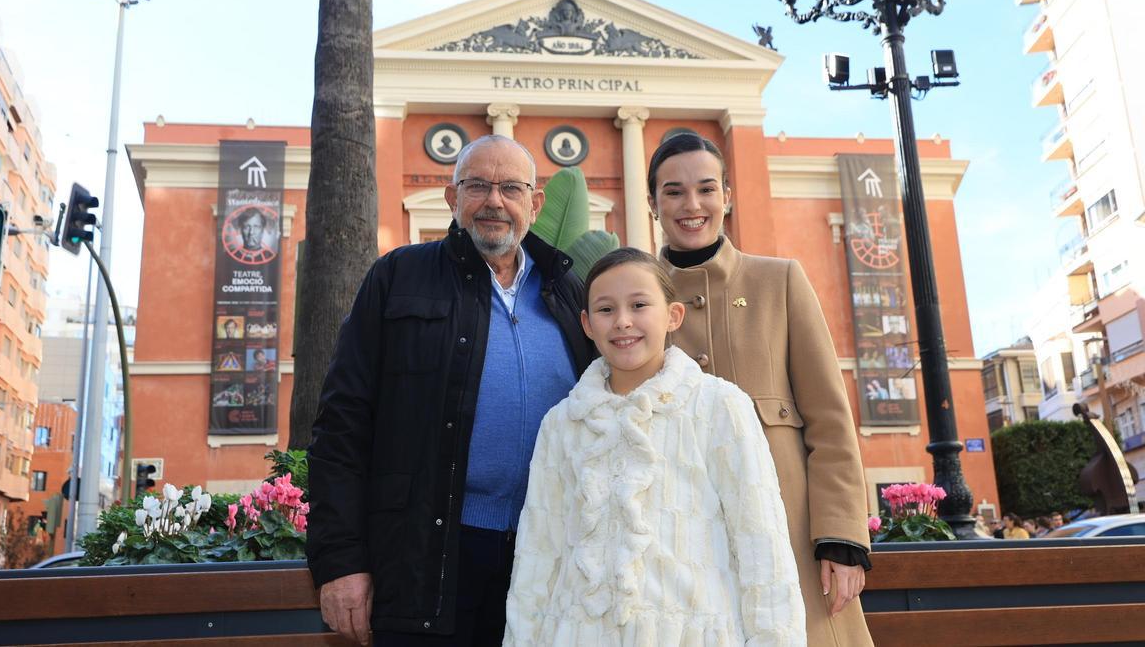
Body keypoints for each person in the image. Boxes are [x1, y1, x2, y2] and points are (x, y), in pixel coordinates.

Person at [308, 135, 594, 646]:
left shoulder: (567, 290)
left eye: (510, 187)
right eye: (477, 185)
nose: (494, 201)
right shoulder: (398, 277)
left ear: (535, 203)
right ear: (452, 197)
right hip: (431, 558)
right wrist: (341, 560)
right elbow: (341, 425)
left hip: (549, 557)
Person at [504, 248, 805, 645]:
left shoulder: (720, 407)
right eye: (606, 309)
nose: (623, 322)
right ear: (587, 324)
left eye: (640, 304)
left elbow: (761, 545)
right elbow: (538, 554)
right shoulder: (562, 424)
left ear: (673, 315)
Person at [649, 133, 873, 645]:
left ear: (727, 195)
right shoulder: (639, 297)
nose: (692, 205)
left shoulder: (781, 281)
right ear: (653, 204)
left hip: (789, 533)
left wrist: (840, 539)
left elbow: (830, 420)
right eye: (673, 192)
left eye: (706, 189)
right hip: (681, 538)